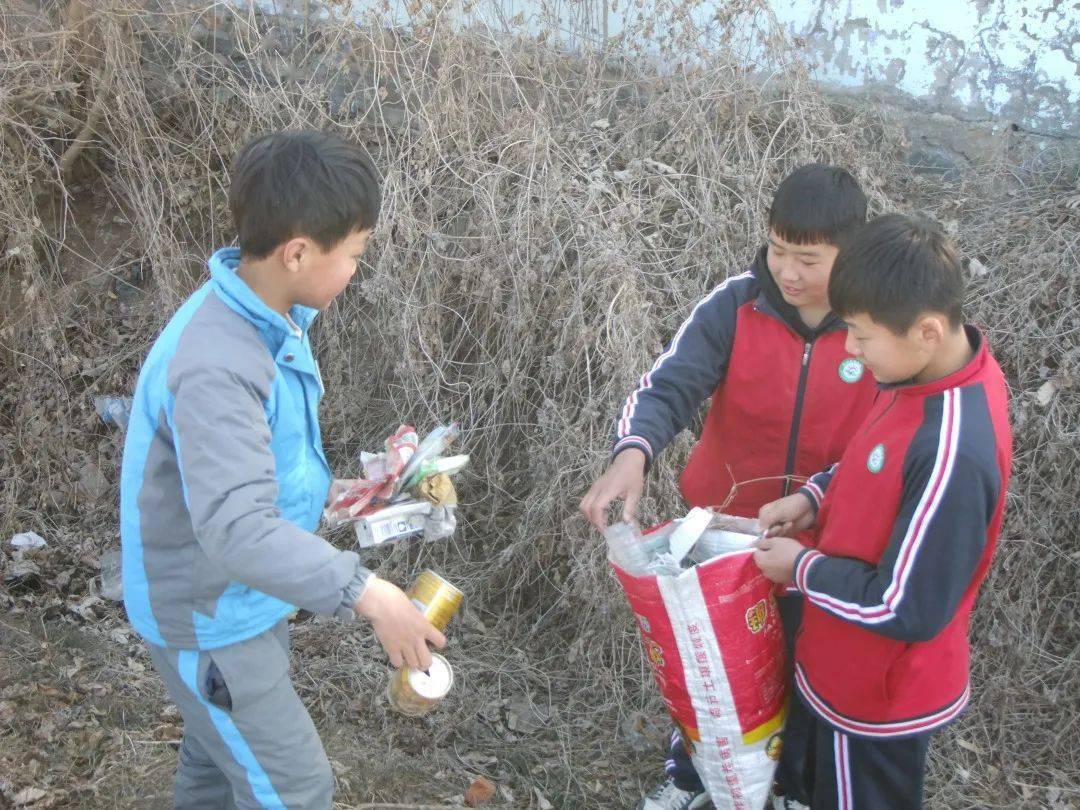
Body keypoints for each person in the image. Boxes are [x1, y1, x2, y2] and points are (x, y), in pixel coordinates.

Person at [119, 130, 445, 809]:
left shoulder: (269, 318)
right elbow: (236, 527)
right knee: (295, 789)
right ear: (298, 252)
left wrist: (361, 494)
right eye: (354, 253)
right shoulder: (217, 362)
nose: (358, 268)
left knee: (217, 768)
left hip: (241, 599)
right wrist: (371, 594)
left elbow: (269, 467)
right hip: (211, 619)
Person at [580, 164, 877, 810]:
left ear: (850, 255)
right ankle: (690, 780)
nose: (788, 272)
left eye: (808, 258)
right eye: (778, 250)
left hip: (818, 547)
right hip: (721, 537)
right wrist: (634, 454)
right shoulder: (735, 305)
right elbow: (669, 386)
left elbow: (888, 439)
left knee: (807, 671)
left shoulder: (875, 329)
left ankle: (793, 789)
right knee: (707, 667)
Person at [754, 213, 1012, 809]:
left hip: (876, 695)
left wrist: (801, 570)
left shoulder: (954, 449)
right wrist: (813, 498)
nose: (850, 349)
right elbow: (872, 465)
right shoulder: (921, 373)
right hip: (841, 665)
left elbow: (908, 604)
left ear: (925, 330)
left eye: (863, 337)